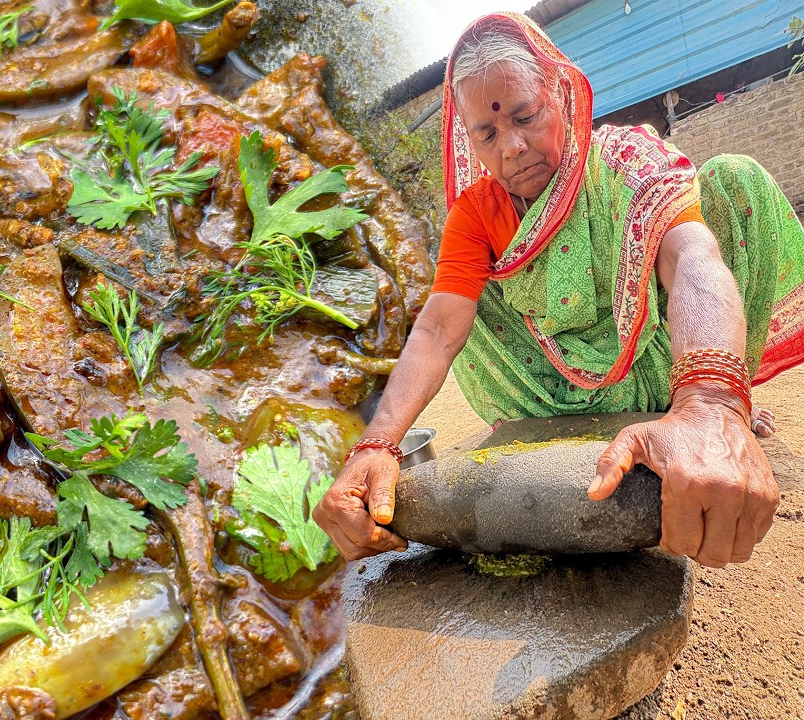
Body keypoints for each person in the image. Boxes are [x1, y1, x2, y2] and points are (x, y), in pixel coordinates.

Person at [314, 12, 804, 569]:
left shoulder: (622, 163)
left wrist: (712, 401)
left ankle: (700, 403)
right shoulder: (477, 214)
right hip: (553, 390)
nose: (512, 147)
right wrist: (376, 443)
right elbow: (437, 330)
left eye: (525, 116)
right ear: (468, 139)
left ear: (561, 96)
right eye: (487, 134)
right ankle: (578, 431)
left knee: (735, 183)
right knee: (459, 296)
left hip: (657, 356)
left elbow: (692, 257)